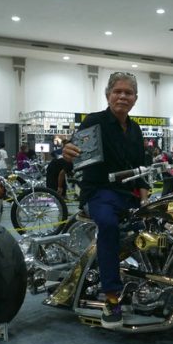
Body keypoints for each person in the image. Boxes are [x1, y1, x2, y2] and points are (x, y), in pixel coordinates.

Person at [63, 72, 149, 329]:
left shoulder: (135, 129)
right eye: (117, 91)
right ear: (108, 95)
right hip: (98, 192)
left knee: (156, 226)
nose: (122, 96)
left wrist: (145, 198)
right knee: (109, 226)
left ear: (135, 98)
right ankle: (112, 298)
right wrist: (68, 151)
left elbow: (141, 168)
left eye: (128, 93)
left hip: (127, 195)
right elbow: (76, 151)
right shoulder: (95, 121)